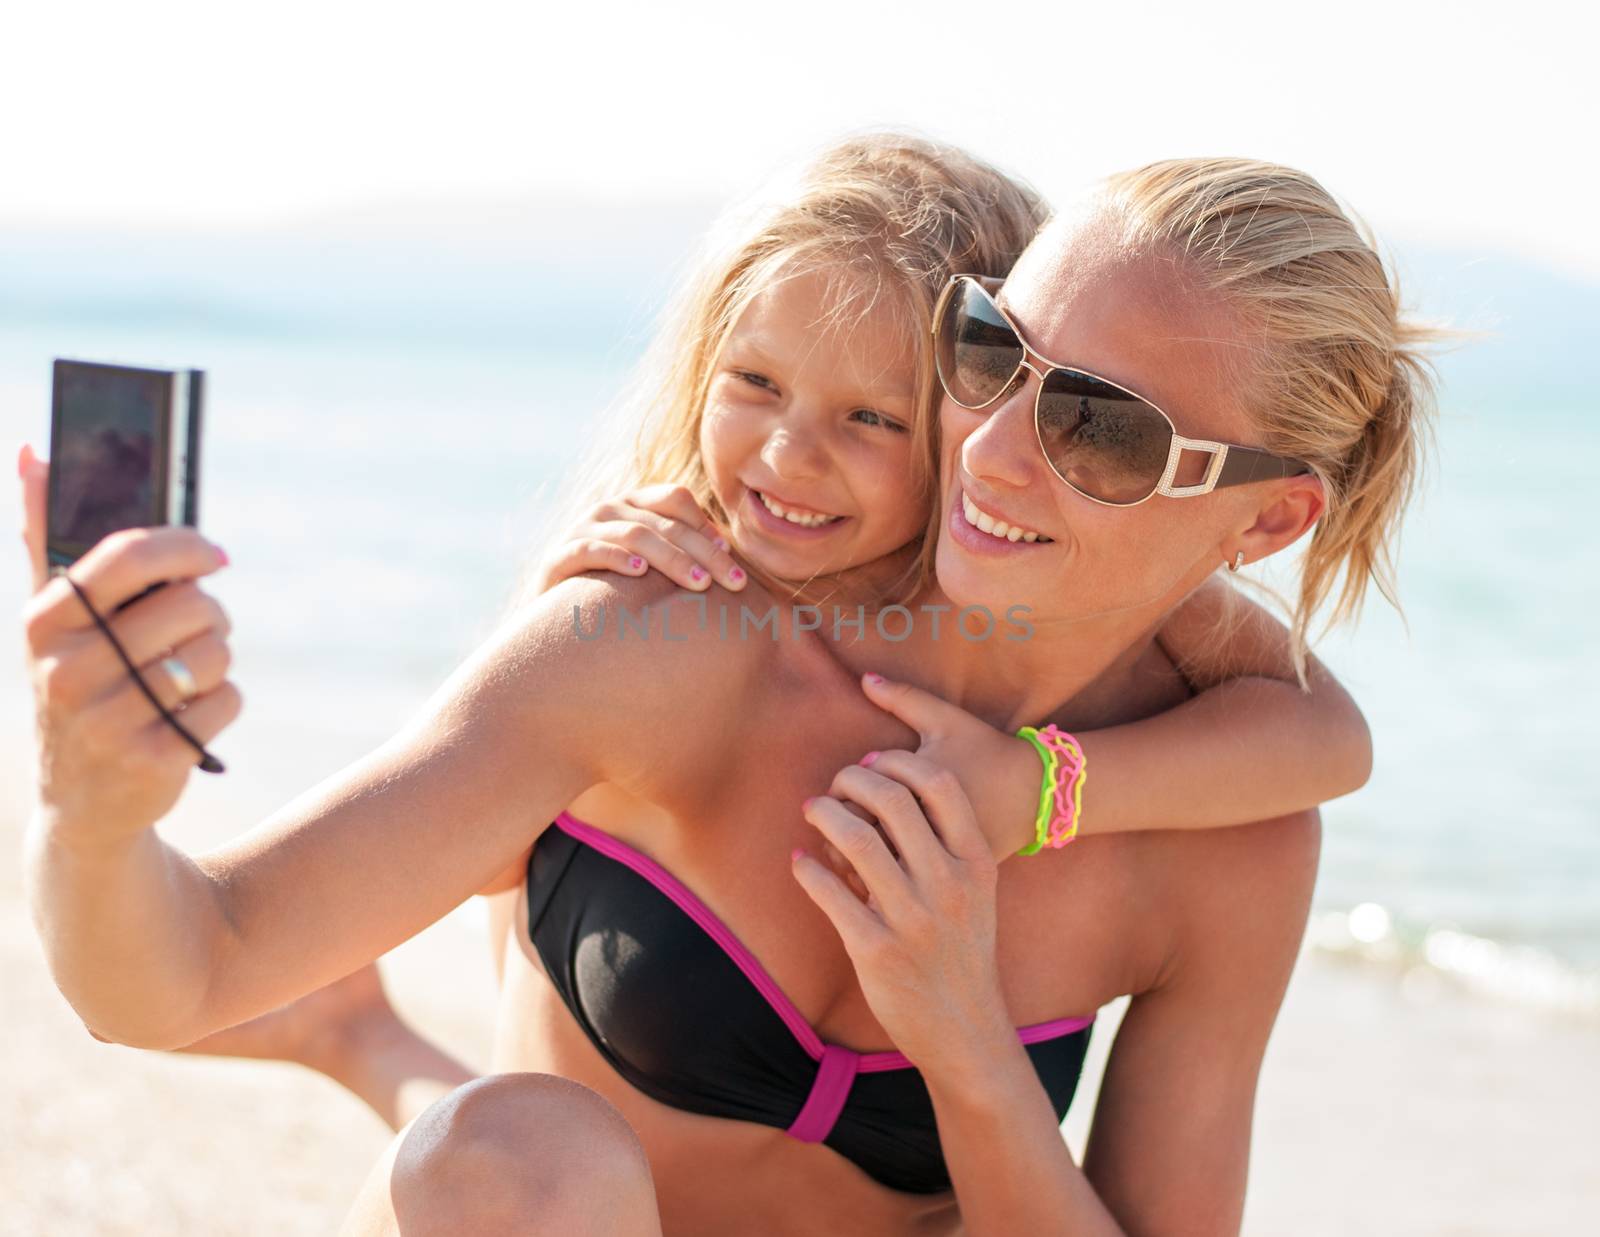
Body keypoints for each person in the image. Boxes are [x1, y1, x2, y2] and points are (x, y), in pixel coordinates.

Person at [19, 137, 1433, 1235]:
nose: (996, 451)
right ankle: (370, 1042)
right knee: (512, 1151)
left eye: (1101, 431)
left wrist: (964, 1039)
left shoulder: (1230, 829)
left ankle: (364, 1040)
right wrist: (93, 814)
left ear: (1263, 521)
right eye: (991, 349)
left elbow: (1325, 728)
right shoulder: (670, 642)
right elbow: (180, 972)